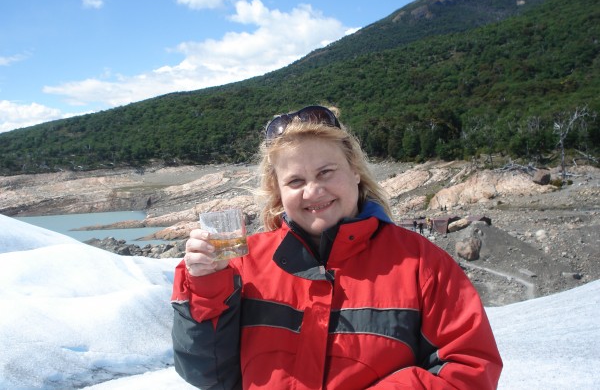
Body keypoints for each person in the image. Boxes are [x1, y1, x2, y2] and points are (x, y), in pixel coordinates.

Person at [171, 105, 503, 389]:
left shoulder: (421, 264)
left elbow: (469, 369)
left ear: (355, 172)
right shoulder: (242, 265)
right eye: (296, 181)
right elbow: (209, 375)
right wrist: (207, 285)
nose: (313, 192)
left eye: (326, 173)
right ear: (278, 191)